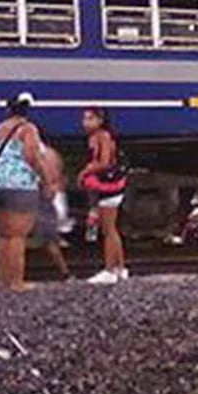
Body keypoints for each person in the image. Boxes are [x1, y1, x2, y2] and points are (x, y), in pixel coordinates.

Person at [0, 92, 51, 292]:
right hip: (19, 184)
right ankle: (17, 282)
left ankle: (2, 281)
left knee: (3, 234)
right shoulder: (28, 129)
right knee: (17, 236)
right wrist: (46, 180)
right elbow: (32, 155)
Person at [79, 108, 129, 284]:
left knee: (108, 229)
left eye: (90, 118)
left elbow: (105, 161)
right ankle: (120, 268)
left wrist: (85, 171)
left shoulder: (102, 136)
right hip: (108, 186)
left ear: (100, 120)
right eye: (84, 118)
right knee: (111, 228)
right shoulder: (97, 136)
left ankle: (109, 270)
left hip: (108, 186)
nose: (85, 122)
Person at [35, 143, 71, 280]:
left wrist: (47, 185)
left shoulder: (40, 155)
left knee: (49, 238)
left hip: (47, 196)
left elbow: (46, 174)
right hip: (58, 195)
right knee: (52, 235)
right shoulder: (53, 153)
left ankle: (64, 272)